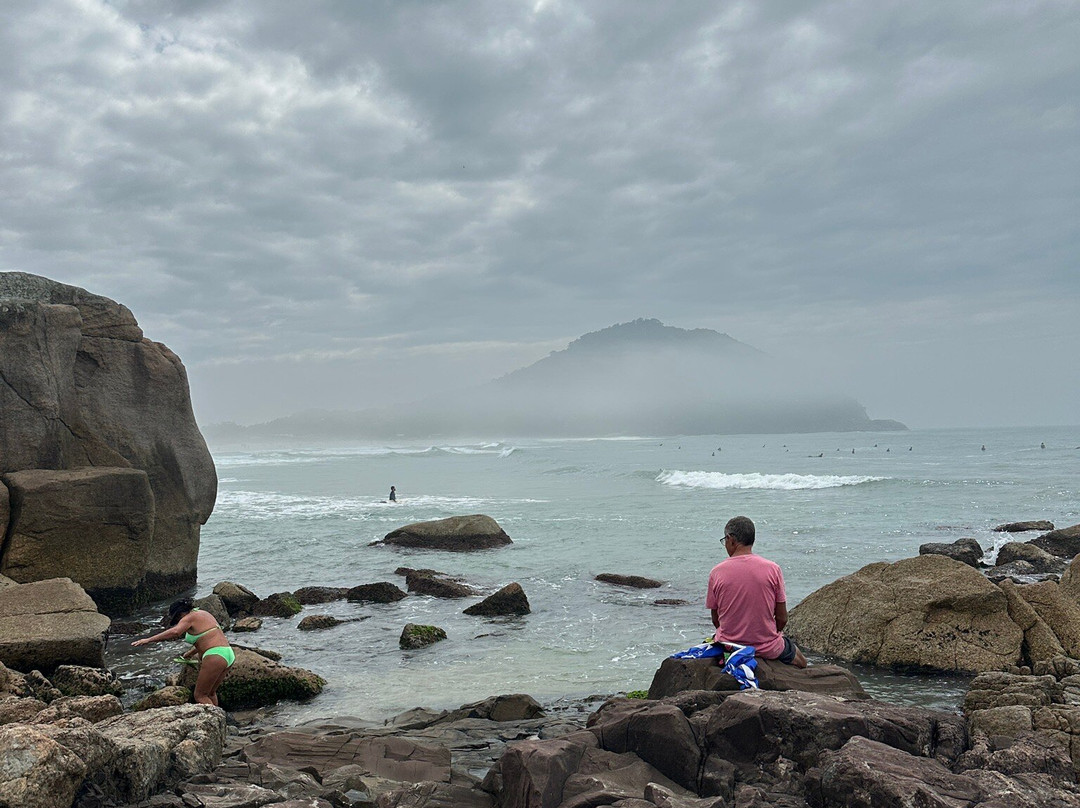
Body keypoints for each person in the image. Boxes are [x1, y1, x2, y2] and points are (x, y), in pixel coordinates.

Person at [706, 516, 807, 668]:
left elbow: (716, 619)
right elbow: (782, 618)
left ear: (730, 539)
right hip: (767, 647)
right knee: (803, 662)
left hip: (729, 645)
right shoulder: (773, 569)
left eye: (724, 540)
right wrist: (767, 636)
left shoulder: (717, 572)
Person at [131, 598, 235, 705]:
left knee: (200, 696)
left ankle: (214, 716)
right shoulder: (203, 614)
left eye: (177, 618)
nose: (178, 621)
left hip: (215, 656)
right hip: (227, 653)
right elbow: (207, 639)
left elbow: (175, 632)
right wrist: (190, 653)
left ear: (180, 613)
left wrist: (148, 640)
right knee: (211, 693)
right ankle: (218, 714)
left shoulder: (189, 618)